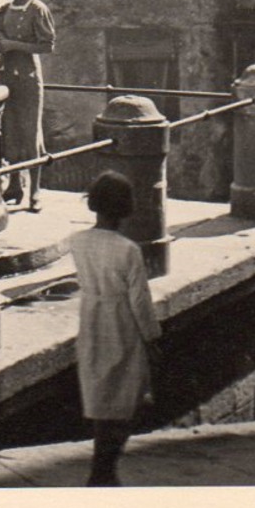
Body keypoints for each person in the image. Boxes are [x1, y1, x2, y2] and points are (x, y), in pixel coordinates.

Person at [71, 171, 161, 487]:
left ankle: (101, 466)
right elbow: (139, 299)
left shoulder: (77, 242)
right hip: (121, 324)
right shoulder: (128, 250)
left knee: (100, 395)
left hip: (92, 321)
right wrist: (152, 336)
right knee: (125, 399)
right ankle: (105, 468)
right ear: (126, 207)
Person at [0, 0, 55, 211]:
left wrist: (13, 45)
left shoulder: (38, 10)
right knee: (10, 131)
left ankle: (35, 191)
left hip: (28, 78)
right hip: (7, 76)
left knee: (30, 133)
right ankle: (15, 186)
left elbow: (47, 45)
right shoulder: (3, 9)